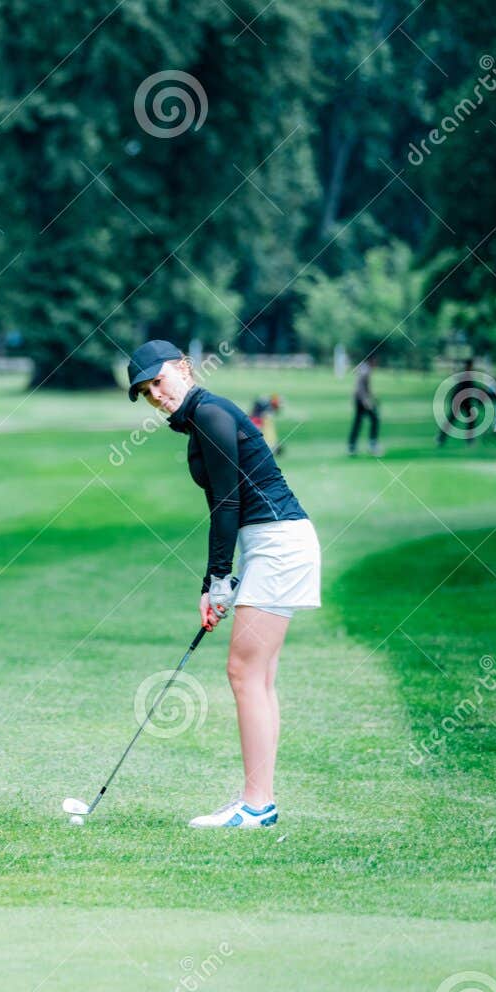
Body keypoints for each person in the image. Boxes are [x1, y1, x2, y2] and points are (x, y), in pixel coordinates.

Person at [127, 340, 321, 830]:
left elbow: (228, 505)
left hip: (277, 543)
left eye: (159, 381)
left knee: (244, 672)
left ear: (184, 368)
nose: (156, 395)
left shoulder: (210, 414)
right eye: (147, 391)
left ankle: (256, 806)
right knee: (257, 677)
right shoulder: (203, 418)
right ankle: (259, 799)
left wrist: (218, 578)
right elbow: (225, 505)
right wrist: (214, 580)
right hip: (270, 543)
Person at [347, 356, 381, 456]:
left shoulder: (364, 368)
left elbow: (366, 387)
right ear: (372, 360)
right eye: (376, 361)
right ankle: (372, 445)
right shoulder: (365, 370)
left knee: (358, 422)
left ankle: (352, 446)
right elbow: (360, 387)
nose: (376, 364)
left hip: (360, 399)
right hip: (361, 400)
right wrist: (366, 401)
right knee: (374, 419)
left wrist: (373, 397)